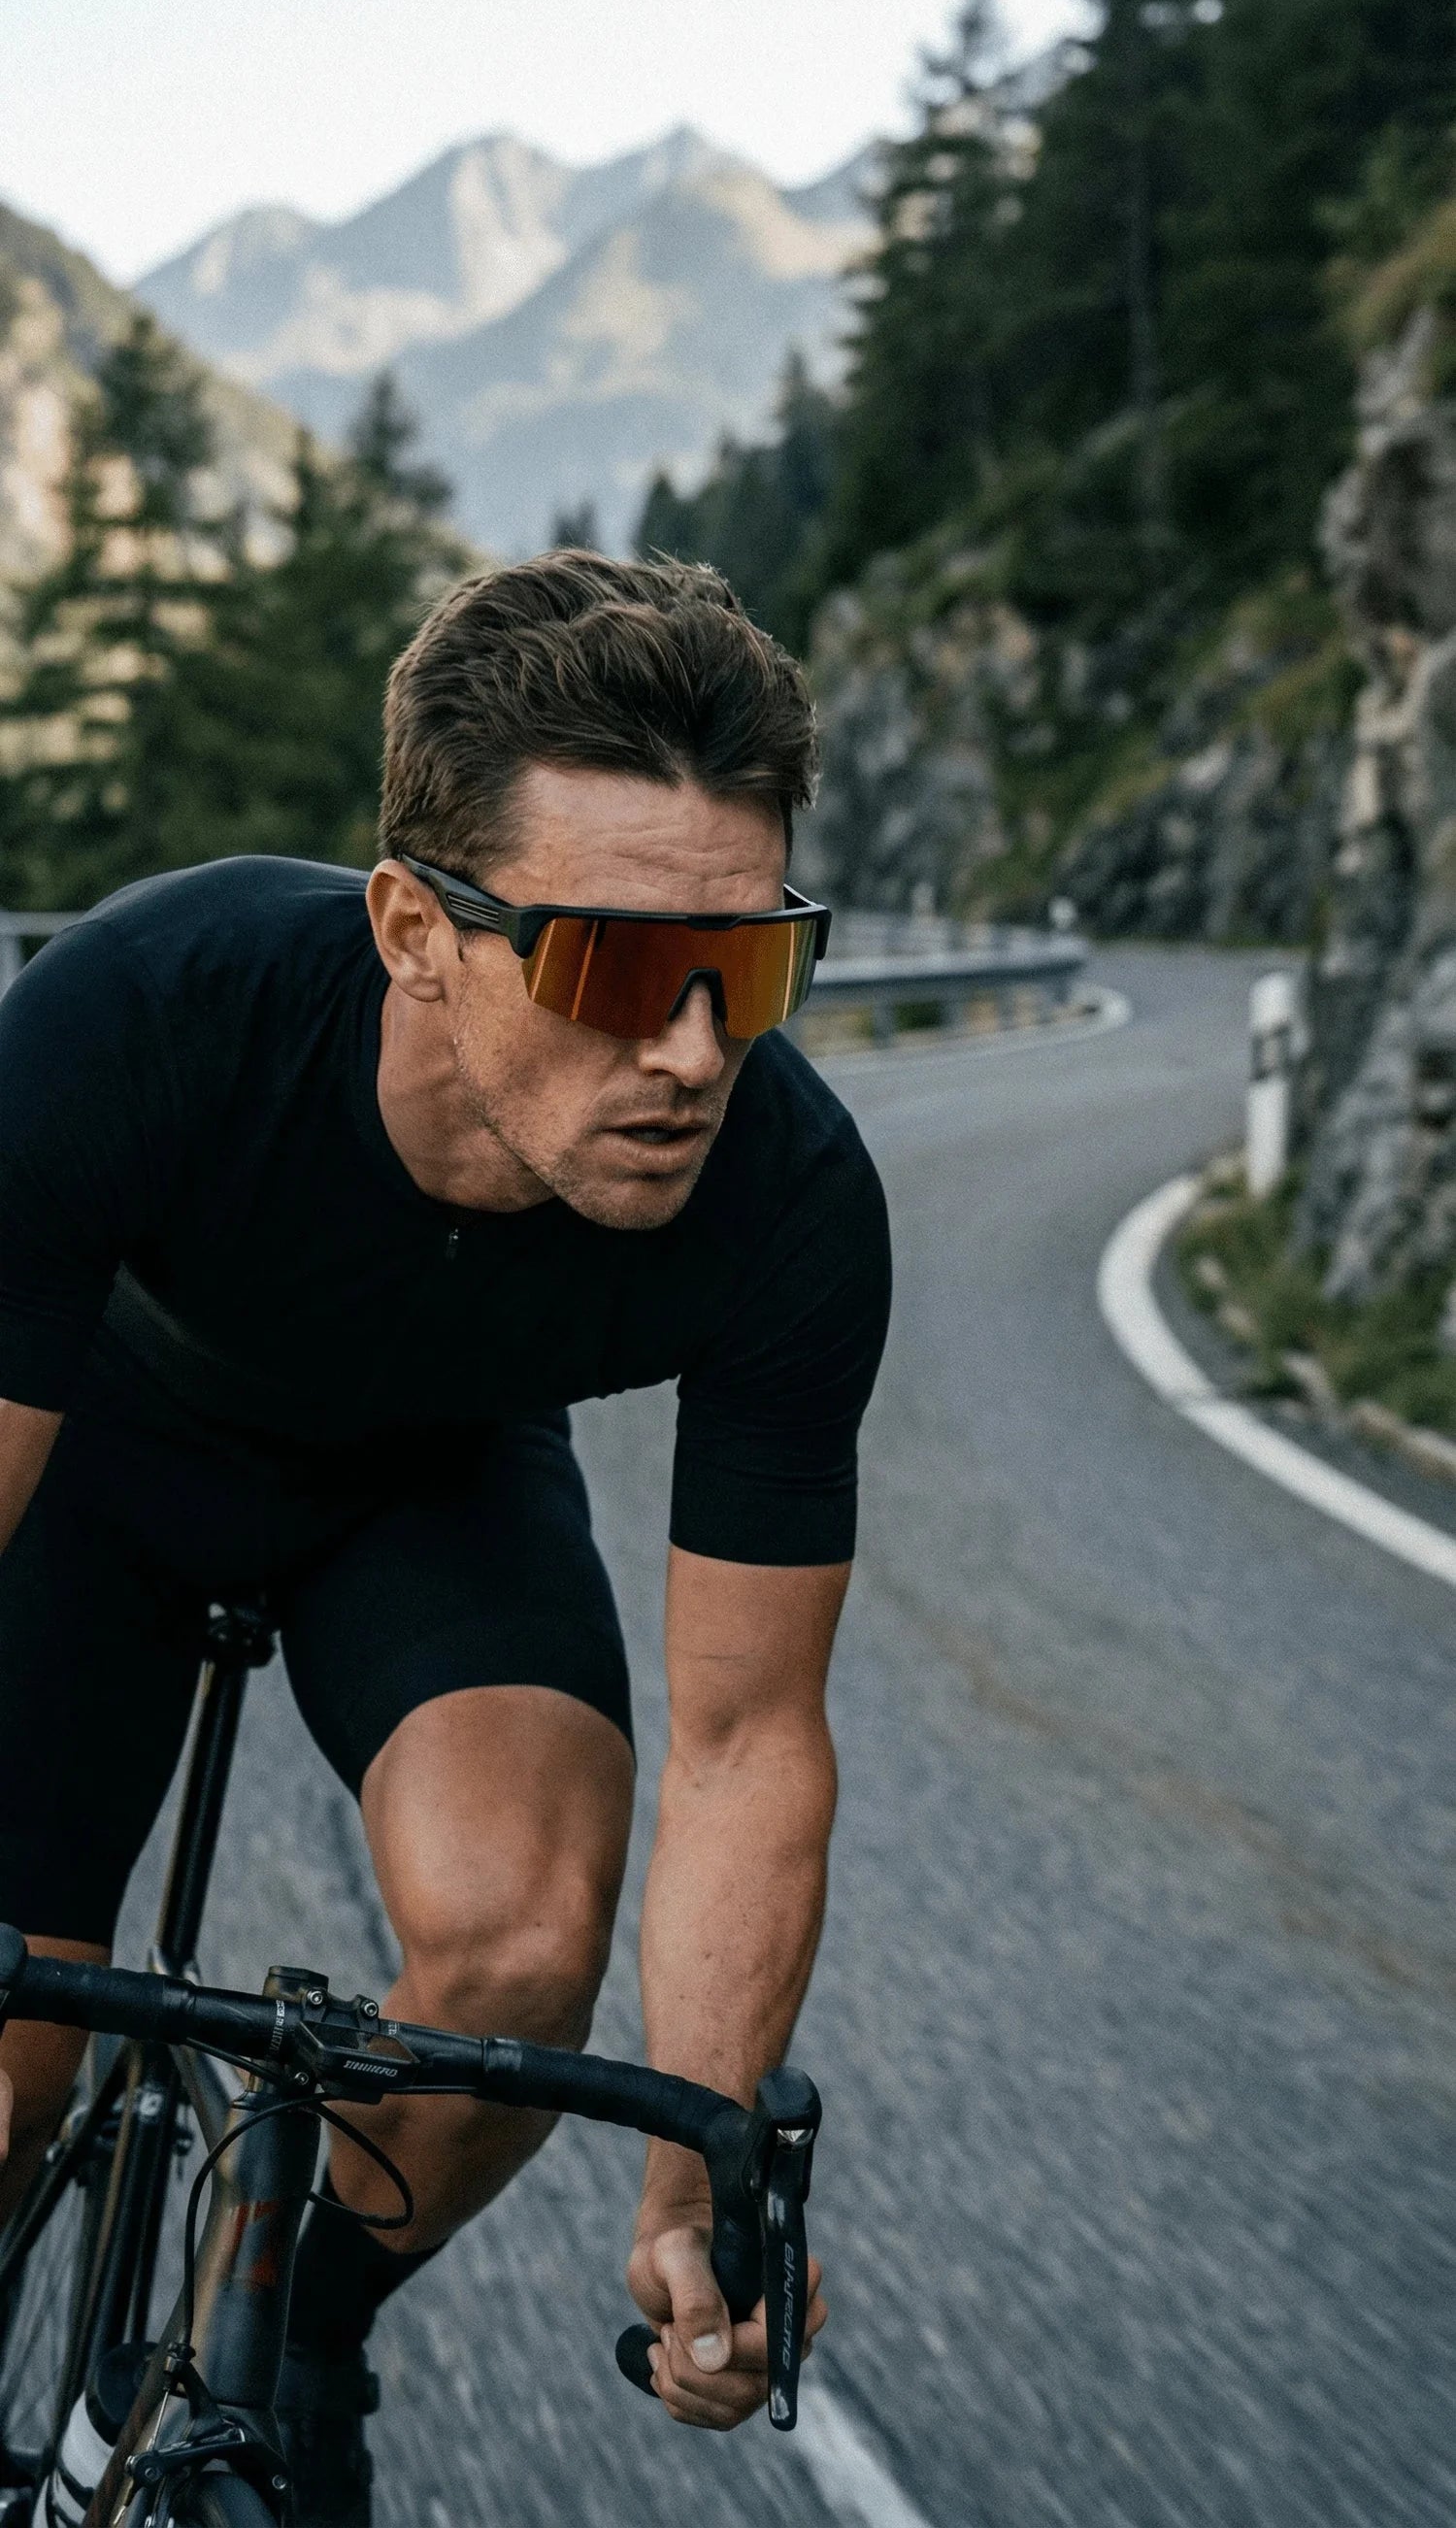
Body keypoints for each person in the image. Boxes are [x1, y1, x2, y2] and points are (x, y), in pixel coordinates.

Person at [0, 552, 891, 2522]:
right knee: (9, 2062)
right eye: (609, 968)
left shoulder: (791, 1199)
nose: (685, 1055)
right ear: (414, 928)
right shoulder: (145, 1013)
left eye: (745, 970)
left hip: (429, 1481)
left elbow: (749, 1738)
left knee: (518, 1945)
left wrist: (694, 2185)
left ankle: (303, 2320)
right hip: (99, 1461)